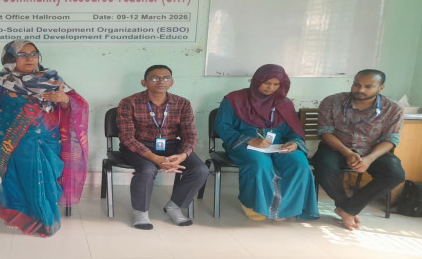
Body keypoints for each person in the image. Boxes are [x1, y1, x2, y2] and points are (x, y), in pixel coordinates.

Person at [0, 39, 88, 237]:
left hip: (47, 139)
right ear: (10, 58)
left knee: (46, 178)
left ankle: (43, 214)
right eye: (22, 55)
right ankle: (19, 214)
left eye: (33, 54)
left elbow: (75, 104)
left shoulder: (52, 79)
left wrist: (64, 99)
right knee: (16, 177)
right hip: (12, 139)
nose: (29, 58)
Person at [214, 64, 319, 221]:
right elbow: (222, 126)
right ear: (257, 80)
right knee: (260, 163)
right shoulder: (234, 99)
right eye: (267, 83)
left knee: (299, 163)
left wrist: (294, 142)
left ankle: (284, 207)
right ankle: (252, 205)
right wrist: (250, 140)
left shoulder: (284, 103)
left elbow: (294, 130)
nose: (271, 88)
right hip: (243, 144)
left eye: (276, 84)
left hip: (278, 144)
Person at [117, 65, 210, 229]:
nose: (161, 81)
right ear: (144, 83)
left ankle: (174, 206)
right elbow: (127, 137)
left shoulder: (182, 103)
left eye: (166, 78)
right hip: (138, 146)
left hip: (171, 145)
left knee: (200, 170)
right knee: (147, 169)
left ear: (171, 82)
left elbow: (189, 135)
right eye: (155, 78)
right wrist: (154, 158)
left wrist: (183, 155)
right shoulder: (129, 102)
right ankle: (141, 212)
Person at [313, 69, 405, 230]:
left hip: (372, 151)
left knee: (395, 174)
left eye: (368, 86)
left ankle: (348, 209)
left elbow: (391, 139)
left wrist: (369, 158)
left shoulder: (393, 109)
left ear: (381, 88)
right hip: (336, 147)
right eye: (357, 84)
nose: (360, 89)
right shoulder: (332, 101)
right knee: (324, 169)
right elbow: (325, 132)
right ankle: (345, 207)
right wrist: (347, 152)